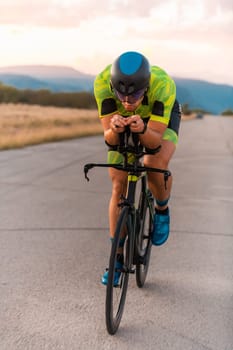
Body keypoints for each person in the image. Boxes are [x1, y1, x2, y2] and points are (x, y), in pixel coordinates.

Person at [94, 51, 181, 285]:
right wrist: (114, 129)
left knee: (154, 164)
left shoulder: (163, 85)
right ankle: (117, 259)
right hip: (123, 124)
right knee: (118, 183)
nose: (127, 102)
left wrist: (142, 130)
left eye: (135, 96)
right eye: (121, 95)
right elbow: (110, 140)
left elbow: (153, 143)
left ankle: (162, 208)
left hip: (157, 120)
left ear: (146, 86)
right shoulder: (102, 83)